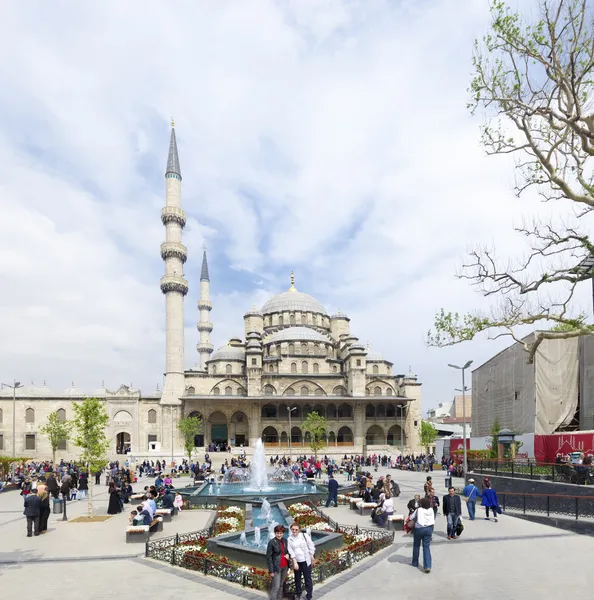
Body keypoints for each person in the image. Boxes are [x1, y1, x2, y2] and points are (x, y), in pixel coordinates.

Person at [287, 524, 315, 600]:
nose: (294, 531)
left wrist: (311, 554)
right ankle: (298, 594)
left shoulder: (304, 536)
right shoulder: (289, 539)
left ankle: (309, 595)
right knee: (297, 579)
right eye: (293, 529)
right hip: (297, 562)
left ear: (299, 529)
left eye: (296, 529)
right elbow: (291, 551)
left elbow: (311, 545)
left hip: (306, 561)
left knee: (308, 578)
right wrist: (295, 562)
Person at [411, 496, 435, 573]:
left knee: (416, 545)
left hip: (419, 529)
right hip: (428, 529)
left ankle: (415, 563)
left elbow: (411, 517)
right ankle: (427, 566)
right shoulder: (431, 510)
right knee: (426, 547)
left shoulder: (419, 510)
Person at [266, 525, 290, 600]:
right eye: (277, 533)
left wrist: (288, 555)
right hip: (277, 567)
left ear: (283, 533)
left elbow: (287, 551)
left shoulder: (285, 540)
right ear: (275, 533)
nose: (279, 535)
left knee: (281, 585)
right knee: (276, 586)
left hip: (285, 566)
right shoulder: (271, 542)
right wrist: (271, 570)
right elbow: (269, 557)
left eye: (280, 533)